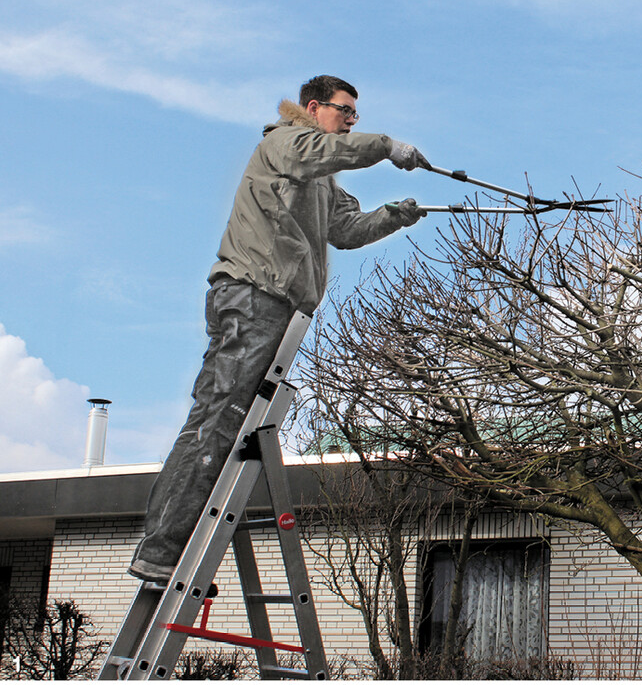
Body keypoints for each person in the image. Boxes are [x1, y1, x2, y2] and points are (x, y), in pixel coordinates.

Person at [128, 75, 428, 583]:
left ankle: (181, 543)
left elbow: (345, 230)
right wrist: (386, 146)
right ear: (313, 108)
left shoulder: (320, 180)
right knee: (219, 415)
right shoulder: (285, 141)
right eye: (345, 111)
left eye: (357, 115)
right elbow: (322, 153)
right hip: (253, 294)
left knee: (233, 420)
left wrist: (394, 215)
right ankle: (162, 549)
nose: (352, 121)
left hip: (277, 305)